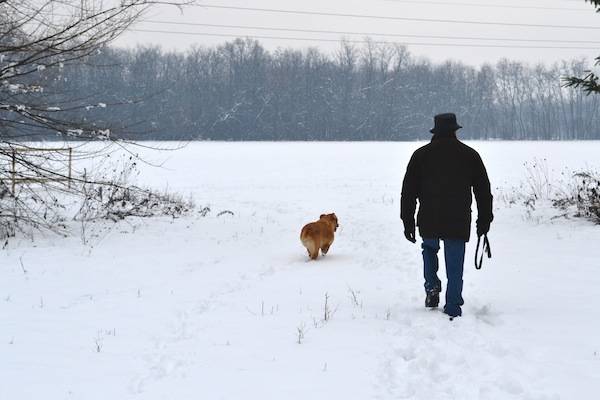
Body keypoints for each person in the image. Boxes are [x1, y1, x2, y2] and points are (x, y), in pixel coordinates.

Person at [400, 113, 493, 318]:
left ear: (436, 131)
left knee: (429, 249)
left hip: (429, 216)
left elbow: (408, 192)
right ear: (455, 130)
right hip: (457, 218)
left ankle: (432, 286)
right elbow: (483, 191)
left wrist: (407, 221)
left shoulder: (421, 155)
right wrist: (484, 220)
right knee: (455, 261)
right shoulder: (469, 155)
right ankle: (452, 306)